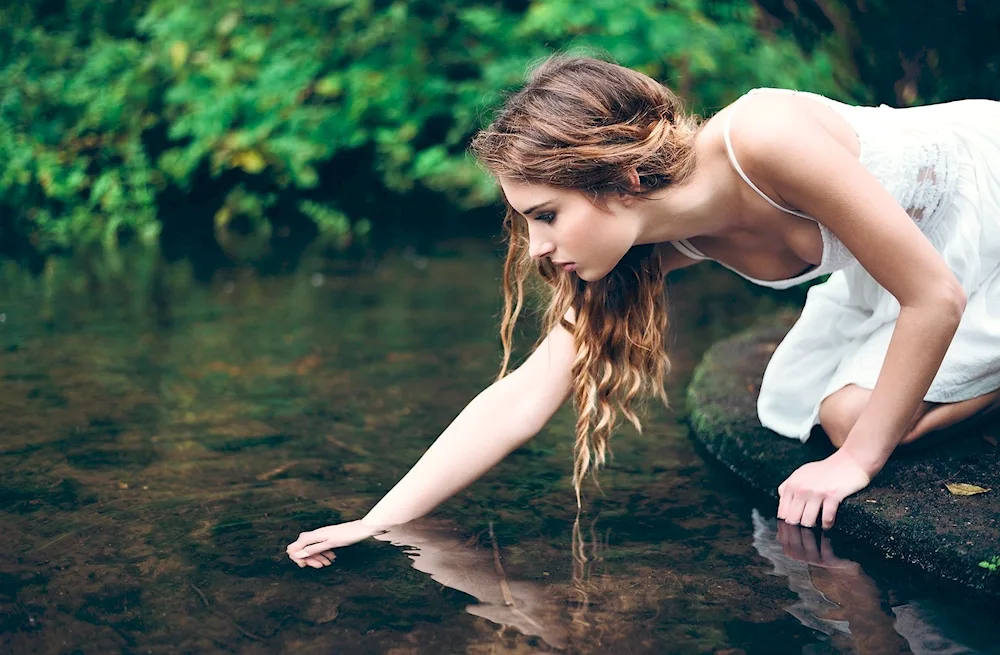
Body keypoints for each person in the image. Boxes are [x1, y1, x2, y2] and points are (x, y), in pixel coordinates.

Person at [287, 54, 1000, 569]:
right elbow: (523, 397)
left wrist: (856, 462)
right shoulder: (647, 246)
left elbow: (932, 294)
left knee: (852, 425)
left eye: (547, 215)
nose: (537, 246)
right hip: (912, 264)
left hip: (985, 209)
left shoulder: (764, 139)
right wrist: (379, 520)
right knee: (804, 402)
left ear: (621, 177)